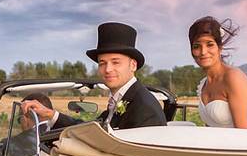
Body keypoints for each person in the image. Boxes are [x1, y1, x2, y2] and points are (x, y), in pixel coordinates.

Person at [22, 22, 167, 130]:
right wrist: (50, 114)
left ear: (133, 65)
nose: (108, 69)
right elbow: (91, 130)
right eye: (102, 63)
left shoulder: (144, 108)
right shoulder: (123, 99)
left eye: (116, 62)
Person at [189, 16, 247, 129]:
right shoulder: (203, 85)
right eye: (197, 46)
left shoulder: (233, 78)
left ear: (220, 47)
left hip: (237, 145)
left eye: (209, 44)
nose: (203, 52)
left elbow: (245, 134)